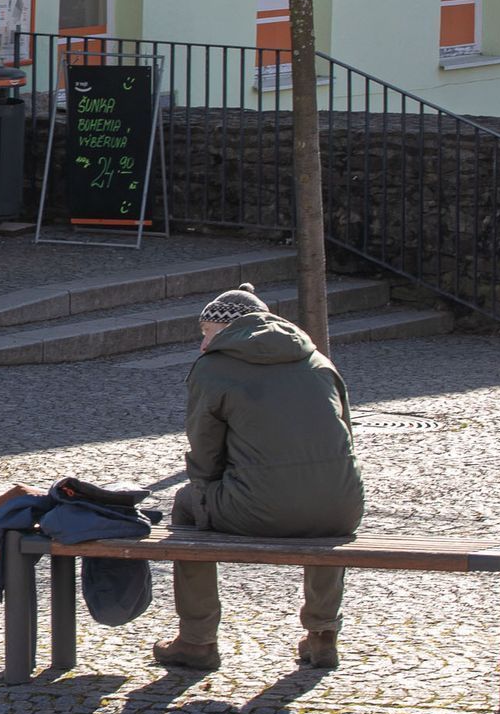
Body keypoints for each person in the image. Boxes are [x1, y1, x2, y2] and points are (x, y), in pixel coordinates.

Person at [153, 283, 365, 673]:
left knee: (186, 505)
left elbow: (204, 453)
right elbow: (344, 435)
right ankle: (323, 633)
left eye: (206, 333)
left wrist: (210, 492)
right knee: (323, 504)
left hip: (260, 508)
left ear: (226, 330)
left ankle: (196, 639)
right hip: (343, 504)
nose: (202, 344)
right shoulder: (319, 361)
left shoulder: (214, 367)